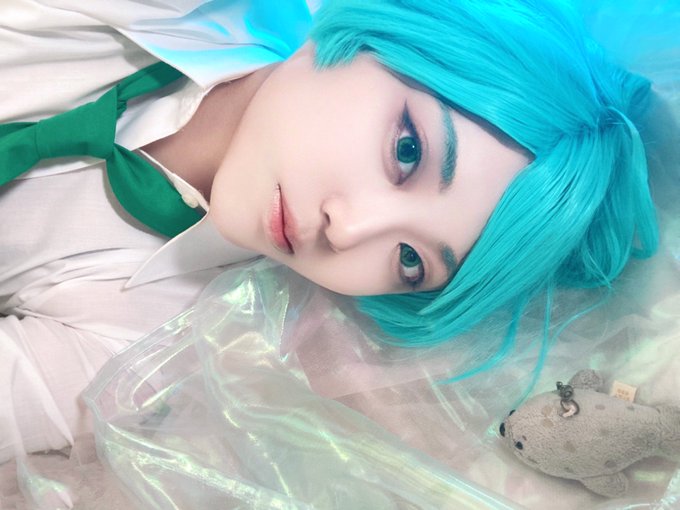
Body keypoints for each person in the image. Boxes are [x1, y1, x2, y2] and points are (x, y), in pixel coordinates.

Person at [0, 0, 658, 461]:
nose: (349, 231)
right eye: (407, 152)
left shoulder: (140, 346)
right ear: (380, 36)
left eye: (410, 260)